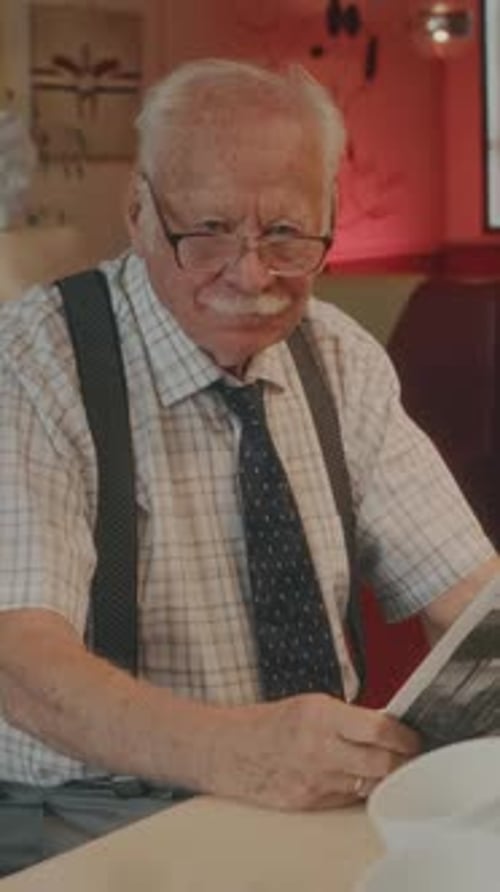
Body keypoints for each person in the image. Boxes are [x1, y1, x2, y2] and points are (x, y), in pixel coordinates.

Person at [0, 57, 497, 875]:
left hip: (317, 807)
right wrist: (236, 753)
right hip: (91, 818)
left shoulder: (340, 358)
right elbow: (22, 663)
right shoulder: (36, 362)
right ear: (138, 213)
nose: (252, 274)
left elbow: (472, 600)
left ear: (330, 217)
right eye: (208, 231)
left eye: (287, 233)